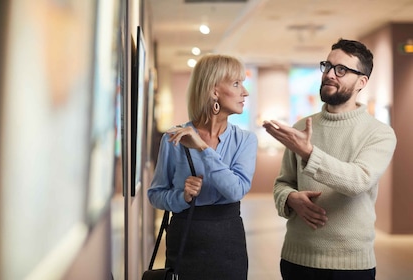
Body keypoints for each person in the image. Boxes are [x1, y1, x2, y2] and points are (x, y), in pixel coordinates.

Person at [262, 38, 397, 280]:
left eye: (342, 70)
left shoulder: (379, 133)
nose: (330, 74)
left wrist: (308, 153)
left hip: (351, 266)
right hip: (297, 259)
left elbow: (358, 180)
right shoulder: (302, 126)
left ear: (362, 82)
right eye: (327, 66)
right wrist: (291, 198)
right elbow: (282, 183)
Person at [148, 54, 258, 280]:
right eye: (236, 84)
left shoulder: (245, 140)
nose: (244, 92)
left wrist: (202, 148)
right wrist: (182, 197)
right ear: (214, 91)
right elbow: (155, 194)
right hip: (185, 240)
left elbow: (236, 190)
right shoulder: (174, 138)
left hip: (228, 242)